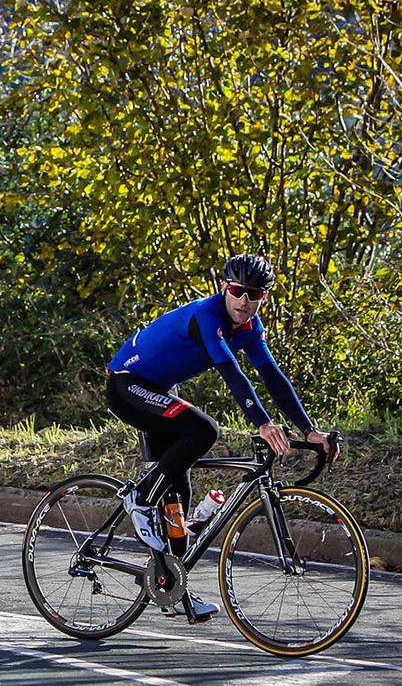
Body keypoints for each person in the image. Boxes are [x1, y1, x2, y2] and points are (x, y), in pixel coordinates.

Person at [105, 253, 340, 621]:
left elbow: (272, 376)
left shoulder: (250, 327)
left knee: (178, 494)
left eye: (255, 295)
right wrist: (263, 423)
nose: (245, 302)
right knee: (203, 429)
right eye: (237, 291)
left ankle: (170, 587)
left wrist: (310, 430)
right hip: (126, 384)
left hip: (160, 387)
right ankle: (139, 497)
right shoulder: (208, 316)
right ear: (223, 288)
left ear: (264, 298)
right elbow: (232, 374)